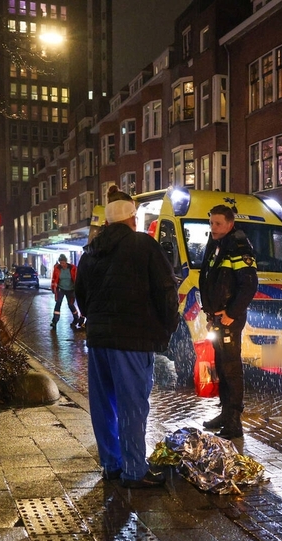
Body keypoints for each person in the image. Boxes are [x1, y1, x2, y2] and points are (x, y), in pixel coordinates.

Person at [74, 186, 179, 488]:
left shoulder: (90, 251)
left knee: (104, 404)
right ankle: (135, 470)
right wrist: (167, 327)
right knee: (132, 405)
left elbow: (81, 296)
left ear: (107, 222)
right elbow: (166, 290)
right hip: (132, 341)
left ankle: (111, 465)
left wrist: (97, 320)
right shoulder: (143, 245)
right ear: (133, 218)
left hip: (99, 340)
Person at [199, 204, 258, 439]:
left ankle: (234, 422)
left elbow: (249, 284)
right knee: (222, 366)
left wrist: (231, 313)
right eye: (211, 223)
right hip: (218, 316)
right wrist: (211, 311)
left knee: (231, 368)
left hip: (229, 318)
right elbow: (210, 278)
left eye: (218, 223)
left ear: (230, 224)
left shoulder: (238, 245)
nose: (213, 228)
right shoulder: (216, 244)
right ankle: (225, 414)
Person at [50, 254, 83, 329]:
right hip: (60, 288)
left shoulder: (73, 268)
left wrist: (77, 288)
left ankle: (76, 318)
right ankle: (54, 321)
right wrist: (53, 287)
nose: (62, 265)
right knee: (58, 303)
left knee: (71, 304)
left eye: (63, 263)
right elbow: (54, 278)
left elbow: (76, 278)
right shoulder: (57, 268)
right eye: (61, 263)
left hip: (70, 289)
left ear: (66, 261)